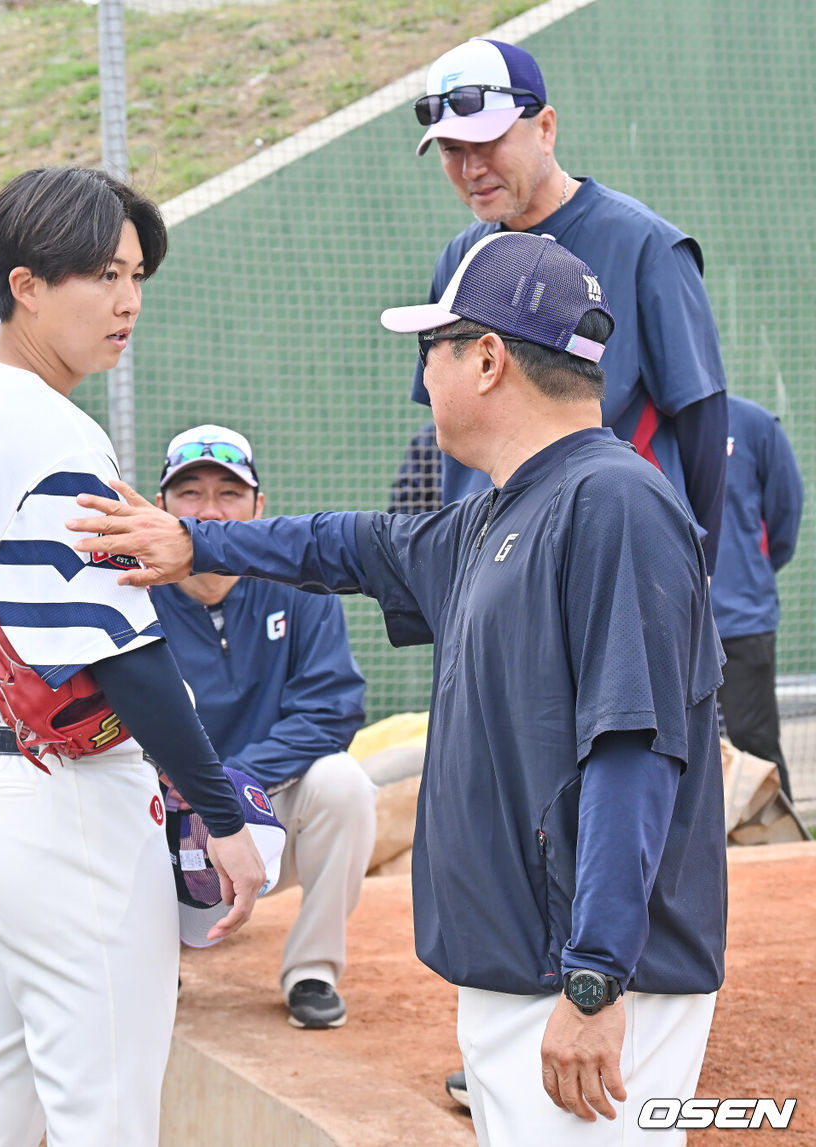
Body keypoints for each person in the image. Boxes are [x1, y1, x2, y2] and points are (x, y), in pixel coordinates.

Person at [67, 232, 729, 1146]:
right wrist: (197, 545)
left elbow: (634, 752)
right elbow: (344, 544)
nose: (423, 375)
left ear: (489, 358)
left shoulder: (614, 503)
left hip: (585, 984)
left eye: (435, 348)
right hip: (516, 967)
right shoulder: (502, 508)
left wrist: (595, 979)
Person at [0, 165, 265, 1147]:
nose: (127, 301)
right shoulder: (49, 434)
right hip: (61, 809)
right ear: (23, 287)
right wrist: (220, 810)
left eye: (135, 275)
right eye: (101, 275)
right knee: (102, 1118)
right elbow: (122, 659)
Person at [408, 36, 728, 573]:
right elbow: (449, 433)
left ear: (546, 128)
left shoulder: (644, 245)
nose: (470, 168)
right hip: (492, 573)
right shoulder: (458, 260)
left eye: (487, 142)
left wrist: (697, 572)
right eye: (451, 149)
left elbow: (703, 422)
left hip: (615, 565)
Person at [152, 423, 374, 1028]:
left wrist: (233, 783)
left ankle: (312, 972)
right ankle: (149, 959)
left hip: (263, 810)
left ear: (259, 507)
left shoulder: (299, 582)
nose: (211, 512)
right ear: (160, 508)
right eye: (190, 494)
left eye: (229, 494)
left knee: (344, 784)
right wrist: (190, 791)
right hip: (160, 818)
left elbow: (333, 705)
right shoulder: (132, 594)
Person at [711, 395, 804, 800]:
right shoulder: (643, 423)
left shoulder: (756, 425)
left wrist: (750, 573)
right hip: (669, 624)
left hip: (742, 619)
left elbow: (785, 515)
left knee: (755, 743)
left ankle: (776, 851)